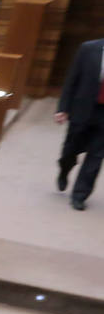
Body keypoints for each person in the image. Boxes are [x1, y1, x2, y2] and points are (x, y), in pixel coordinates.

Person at [55, 36, 104, 211]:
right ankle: (64, 168)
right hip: (83, 107)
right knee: (71, 148)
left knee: (96, 156)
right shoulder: (88, 48)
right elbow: (72, 80)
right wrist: (62, 108)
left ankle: (80, 195)